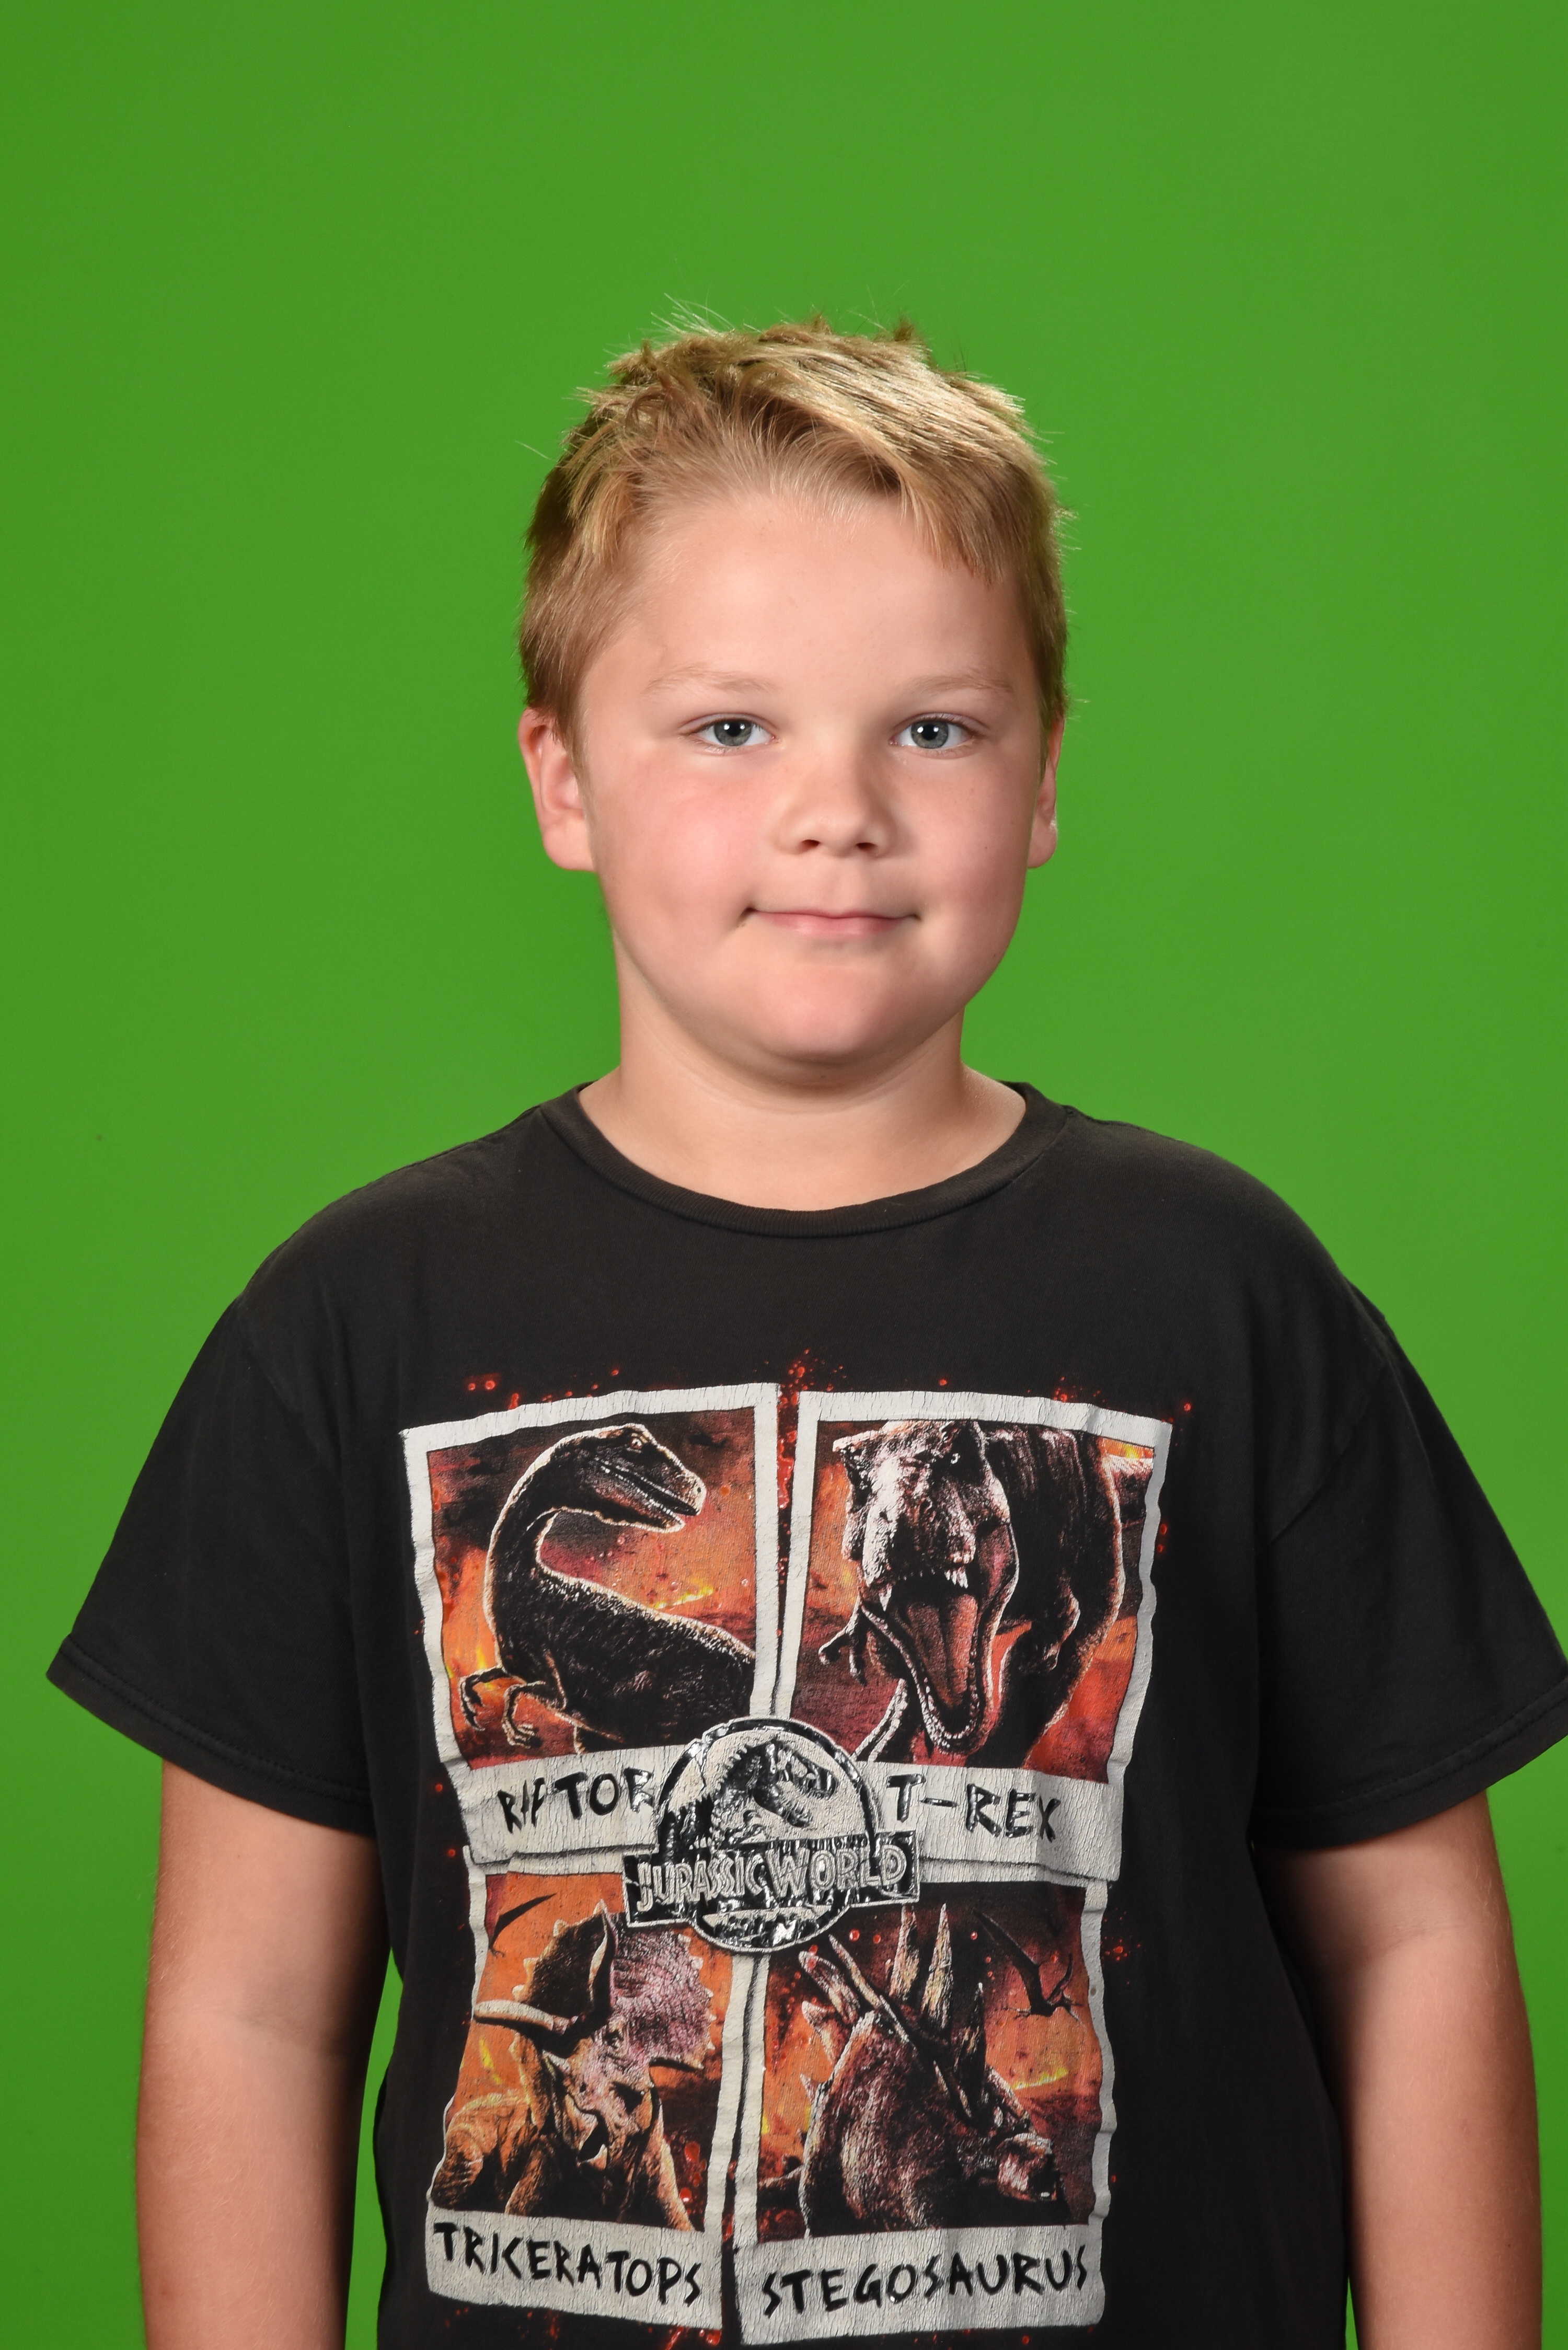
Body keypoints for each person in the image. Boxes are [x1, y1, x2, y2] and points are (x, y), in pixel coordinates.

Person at [50, 318, 1564, 2350]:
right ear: (562, 779)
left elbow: (1413, 1944)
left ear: (1044, 779)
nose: (836, 807)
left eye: (931, 728)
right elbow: (249, 2007)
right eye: (729, 728)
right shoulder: (352, 1320)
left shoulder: (1224, 1286)